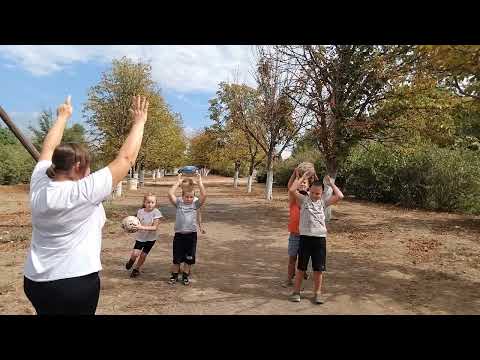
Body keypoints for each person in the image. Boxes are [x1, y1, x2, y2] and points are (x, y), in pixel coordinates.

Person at [23, 95, 149, 315]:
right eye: (88, 167)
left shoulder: (39, 181)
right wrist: (140, 122)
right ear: (78, 166)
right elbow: (126, 158)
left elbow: (48, 148)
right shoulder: (83, 191)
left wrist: (63, 116)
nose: (90, 172)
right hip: (73, 282)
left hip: (35, 281)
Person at [288, 170, 344, 304]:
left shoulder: (323, 202)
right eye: (312, 192)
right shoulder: (303, 200)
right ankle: (296, 292)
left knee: (318, 269)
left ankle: (317, 294)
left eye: (318, 193)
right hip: (305, 239)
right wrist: (303, 177)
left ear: (322, 193)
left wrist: (331, 183)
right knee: (301, 268)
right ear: (309, 191)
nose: (314, 195)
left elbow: (340, 196)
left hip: (319, 240)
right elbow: (292, 189)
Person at [167, 172, 206, 285]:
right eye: (186, 197)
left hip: (191, 236)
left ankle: (185, 275)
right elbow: (170, 193)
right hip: (179, 235)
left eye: (191, 197)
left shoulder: (195, 205)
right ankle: (174, 275)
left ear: (194, 198)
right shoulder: (179, 204)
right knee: (177, 258)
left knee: (189, 258)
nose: (189, 199)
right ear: (182, 196)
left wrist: (200, 183)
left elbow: (204, 195)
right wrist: (178, 182)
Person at [282, 167, 312, 288]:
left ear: (309, 186)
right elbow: (290, 186)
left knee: (303, 258)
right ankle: (289, 279)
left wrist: (312, 176)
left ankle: (302, 273)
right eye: (300, 182)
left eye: (305, 182)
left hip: (307, 234)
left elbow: (320, 188)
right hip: (295, 233)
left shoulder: (310, 198)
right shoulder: (293, 198)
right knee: (292, 258)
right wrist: (296, 175)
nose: (302, 184)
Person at [125, 193, 164, 278]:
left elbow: (155, 227)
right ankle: (131, 261)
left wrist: (141, 227)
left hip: (151, 239)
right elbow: (135, 222)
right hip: (140, 237)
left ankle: (136, 269)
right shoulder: (140, 212)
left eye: (152, 202)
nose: (150, 204)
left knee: (143, 255)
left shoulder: (156, 213)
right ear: (144, 203)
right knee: (135, 254)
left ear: (155, 203)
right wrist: (128, 226)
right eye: (148, 202)